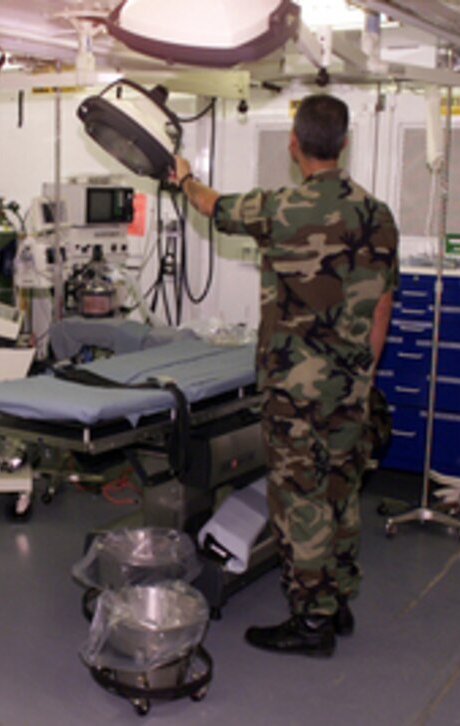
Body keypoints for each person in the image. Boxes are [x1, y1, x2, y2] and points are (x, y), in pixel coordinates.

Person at [171, 93, 398, 657]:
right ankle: (338, 599)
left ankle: (312, 622)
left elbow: (209, 205)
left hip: (294, 392)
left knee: (300, 501)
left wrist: (183, 177)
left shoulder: (277, 208)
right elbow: (383, 304)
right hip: (350, 385)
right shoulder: (377, 215)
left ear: (294, 144)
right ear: (344, 144)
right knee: (342, 493)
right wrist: (363, 374)